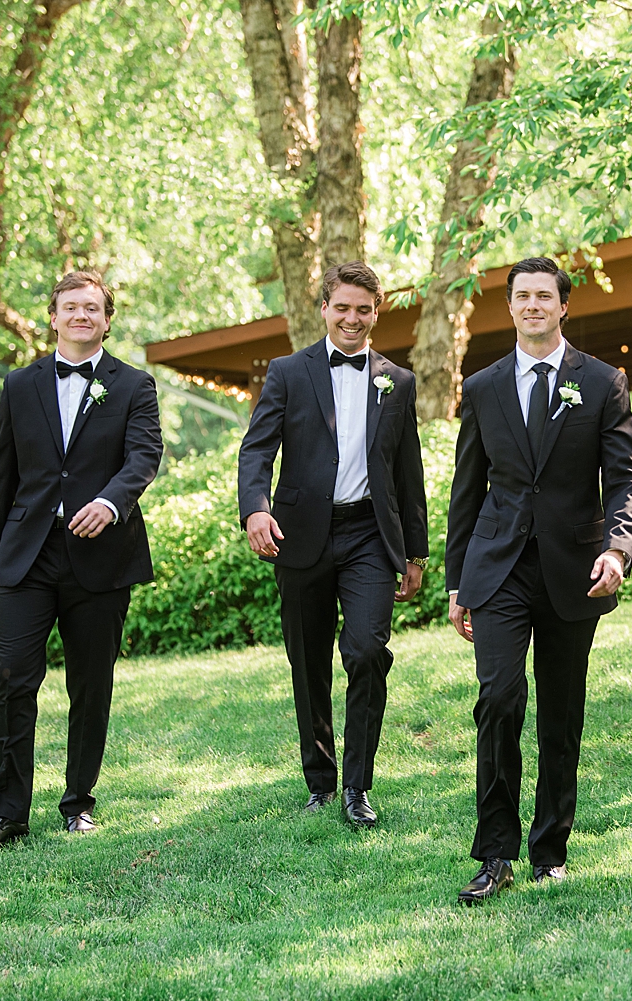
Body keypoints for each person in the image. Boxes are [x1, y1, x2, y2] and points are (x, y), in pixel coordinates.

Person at [446, 257, 632, 902]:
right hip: (498, 570)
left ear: (563, 306)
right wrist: (458, 583)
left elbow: (628, 479)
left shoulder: (602, 382)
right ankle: (495, 851)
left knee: (561, 714)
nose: (533, 305)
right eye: (521, 296)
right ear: (509, 307)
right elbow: (465, 492)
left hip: (574, 572)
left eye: (545, 296)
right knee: (499, 698)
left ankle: (550, 849)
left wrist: (618, 551)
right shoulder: (481, 387)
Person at [0, 271, 163, 849]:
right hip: (25, 555)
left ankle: (78, 803)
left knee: (91, 684)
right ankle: (7, 815)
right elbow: (1, 475)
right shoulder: (20, 385)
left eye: (92, 308)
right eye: (70, 307)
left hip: (100, 555)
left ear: (106, 320)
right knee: (11, 679)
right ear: (53, 317)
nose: (81, 316)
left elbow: (144, 455)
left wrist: (111, 502)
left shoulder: (133, 385)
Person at [238, 261, 428, 826]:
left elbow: (408, 472)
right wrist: (255, 508)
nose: (352, 318)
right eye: (341, 307)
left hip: (370, 533)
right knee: (308, 660)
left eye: (363, 309)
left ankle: (357, 786)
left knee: (366, 650)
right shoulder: (288, 372)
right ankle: (320, 780)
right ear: (324, 308)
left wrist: (413, 553)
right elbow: (257, 450)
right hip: (300, 536)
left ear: (377, 313)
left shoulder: (399, 380)